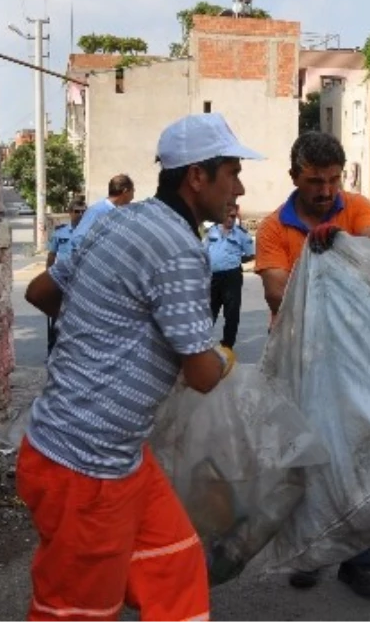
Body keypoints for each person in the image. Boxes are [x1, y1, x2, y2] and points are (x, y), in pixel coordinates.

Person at [18, 112, 262, 622]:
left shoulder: (119, 221)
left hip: (110, 456)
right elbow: (200, 374)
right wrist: (223, 358)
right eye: (232, 173)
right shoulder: (179, 249)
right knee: (76, 610)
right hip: (85, 467)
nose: (238, 188)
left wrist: (102, 325)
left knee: (173, 566)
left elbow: (41, 292)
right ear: (197, 176)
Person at [254, 131, 370, 600]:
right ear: (294, 177)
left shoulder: (359, 209)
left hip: (354, 359)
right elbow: (277, 292)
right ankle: (308, 555)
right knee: (304, 459)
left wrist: (344, 245)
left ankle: (358, 562)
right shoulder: (273, 228)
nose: (327, 191)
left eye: (333, 180)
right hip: (299, 361)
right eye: (315, 181)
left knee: (359, 458)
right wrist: (314, 252)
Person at [206, 202, 255, 350]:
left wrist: (235, 261)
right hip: (213, 276)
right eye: (226, 216)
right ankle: (203, 343)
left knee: (231, 312)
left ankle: (227, 344)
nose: (230, 219)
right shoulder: (211, 231)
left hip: (231, 277)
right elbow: (202, 251)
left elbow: (251, 254)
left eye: (233, 216)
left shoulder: (241, 234)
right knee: (209, 311)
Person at [43, 200, 86, 354]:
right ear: (69, 212)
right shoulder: (60, 233)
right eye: (76, 211)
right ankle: (53, 351)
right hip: (61, 281)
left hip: (80, 283)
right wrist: (48, 278)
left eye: (83, 211)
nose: (80, 215)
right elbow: (51, 256)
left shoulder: (90, 233)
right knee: (56, 319)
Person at [67, 173, 135, 255]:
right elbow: (78, 239)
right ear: (125, 191)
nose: (134, 193)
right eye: (133, 190)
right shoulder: (97, 211)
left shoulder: (120, 211)